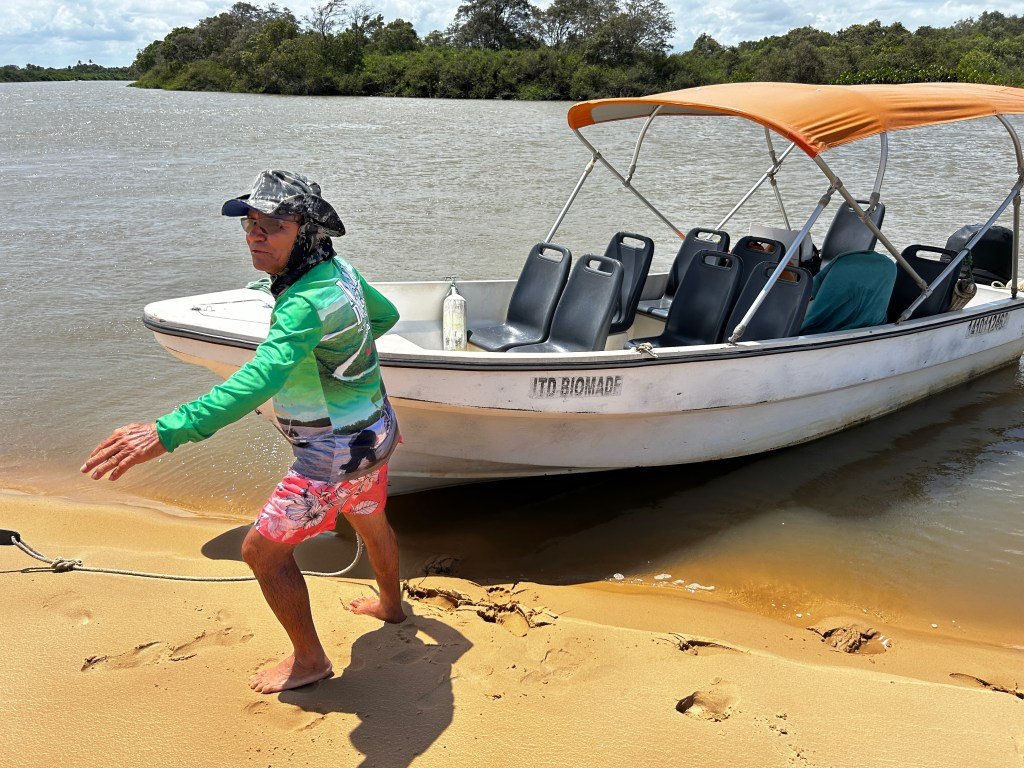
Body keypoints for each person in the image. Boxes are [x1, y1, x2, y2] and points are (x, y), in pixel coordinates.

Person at [81, 170, 405, 694]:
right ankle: (392, 607)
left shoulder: (301, 305)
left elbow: (259, 379)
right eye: (250, 223)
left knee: (262, 552)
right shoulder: (338, 271)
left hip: (329, 458)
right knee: (370, 518)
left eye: (272, 225)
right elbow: (384, 315)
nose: (255, 234)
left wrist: (166, 431)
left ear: (307, 233)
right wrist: (335, 361)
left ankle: (309, 661)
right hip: (377, 430)